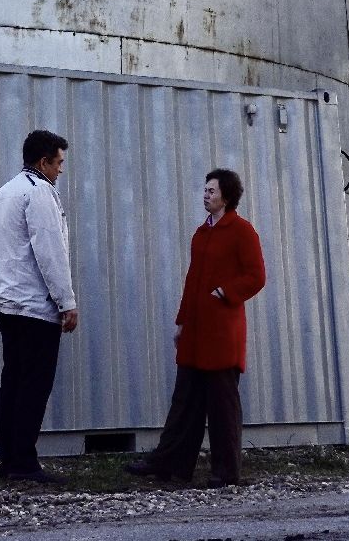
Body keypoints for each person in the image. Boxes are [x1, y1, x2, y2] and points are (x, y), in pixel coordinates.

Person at [127, 167, 266, 487]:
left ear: (227, 197)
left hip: (222, 332)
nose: (206, 196)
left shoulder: (242, 231)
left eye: (212, 191)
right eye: (204, 190)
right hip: (195, 331)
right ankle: (170, 465)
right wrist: (181, 322)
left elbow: (256, 276)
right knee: (184, 401)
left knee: (222, 406)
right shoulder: (201, 234)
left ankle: (226, 471)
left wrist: (225, 292)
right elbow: (192, 283)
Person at [0, 129, 78, 484]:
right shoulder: (40, 193)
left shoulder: (5, 191)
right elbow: (51, 253)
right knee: (33, 385)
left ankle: (9, 461)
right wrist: (67, 302)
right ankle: (25, 464)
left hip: (7, 306)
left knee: (12, 381)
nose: (61, 170)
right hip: (35, 307)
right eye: (59, 162)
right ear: (43, 161)